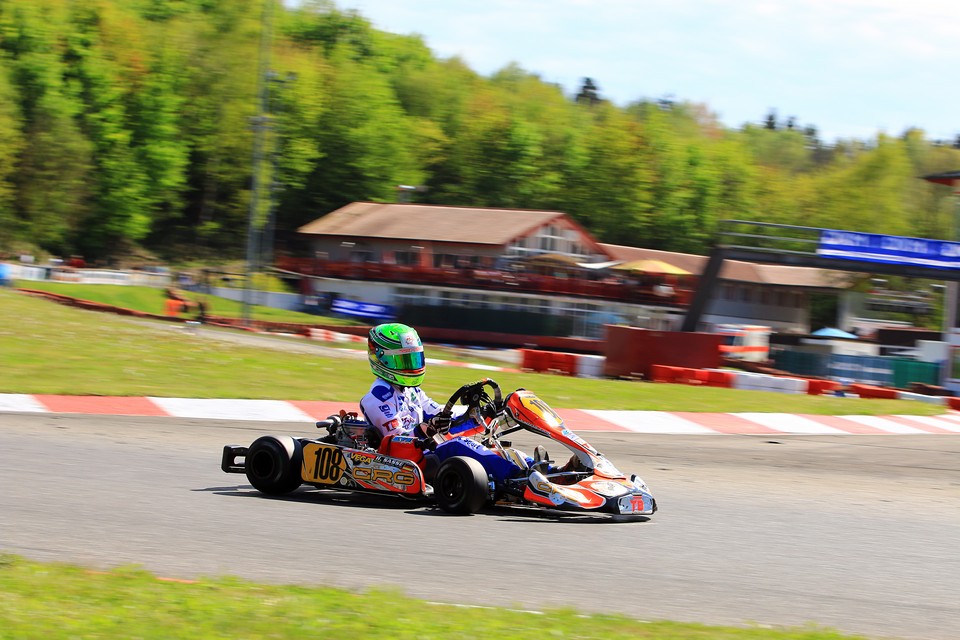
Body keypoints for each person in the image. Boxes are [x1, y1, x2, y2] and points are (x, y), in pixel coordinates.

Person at [359, 323, 445, 442]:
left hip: (424, 451)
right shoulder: (378, 397)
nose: (411, 366)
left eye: (414, 359)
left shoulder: (412, 391)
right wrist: (423, 431)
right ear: (382, 360)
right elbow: (396, 439)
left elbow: (439, 415)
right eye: (403, 361)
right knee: (456, 446)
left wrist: (472, 417)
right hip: (403, 456)